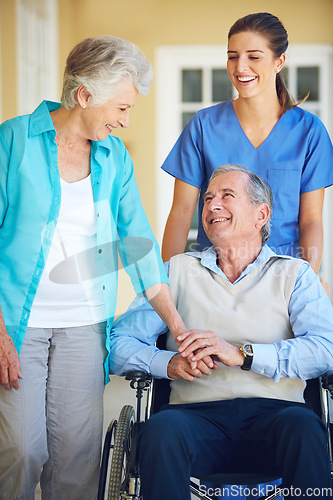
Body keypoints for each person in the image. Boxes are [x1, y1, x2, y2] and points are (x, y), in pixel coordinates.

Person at [0, 35, 192, 500]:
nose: (126, 121)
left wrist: (178, 326)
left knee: (76, 462)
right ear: (84, 95)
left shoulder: (114, 157)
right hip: (17, 326)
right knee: (21, 451)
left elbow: (139, 245)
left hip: (84, 326)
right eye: (121, 108)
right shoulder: (13, 141)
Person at [110, 165, 333, 500]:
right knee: (160, 432)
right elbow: (117, 343)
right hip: (195, 418)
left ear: (261, 214)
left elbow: (326, 348)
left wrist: (244, 355)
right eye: (208, 199)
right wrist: (166, 363)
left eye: (226, 196)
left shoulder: (295, 275)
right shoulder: (176, 272)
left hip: (277, 416)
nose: (212, 205)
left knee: (305, 430)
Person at [161, 12, 333, 292]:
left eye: (254, 57)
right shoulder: (203, 126)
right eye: (232, 56)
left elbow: (311, 220)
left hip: (283, 280)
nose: (240, 67)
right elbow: (181, 213)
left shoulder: (310, 132)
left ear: (279, 62)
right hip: (214, 280)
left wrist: (306, 283)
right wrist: (165, 287)